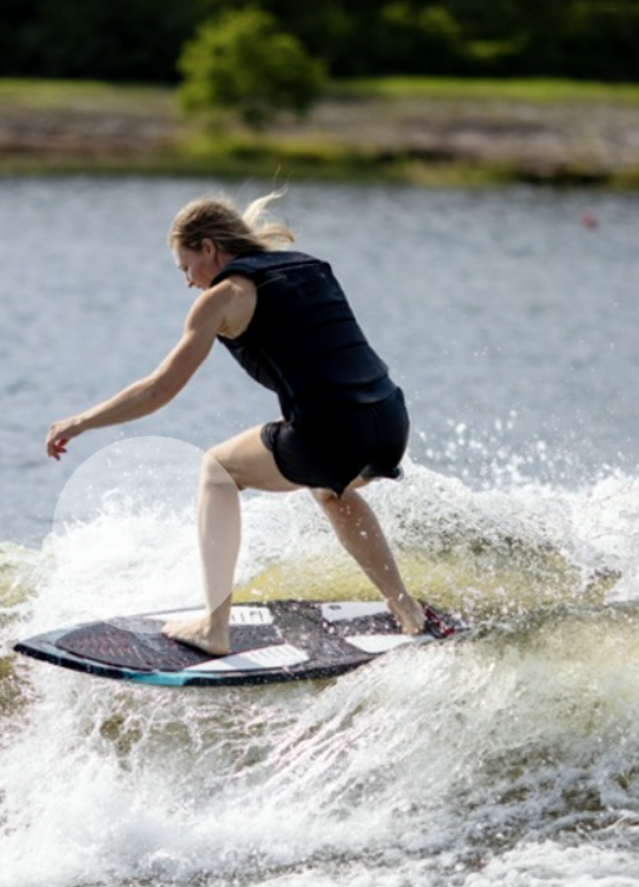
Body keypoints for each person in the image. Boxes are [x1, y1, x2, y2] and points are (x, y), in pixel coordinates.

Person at [44, 190, 429, 656]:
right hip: (389, 422)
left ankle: (214, 627)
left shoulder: (223, 297)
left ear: (209, 248)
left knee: (217, 471)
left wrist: (81, 421)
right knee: (331, 489)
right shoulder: (311, 266)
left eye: (186, 268)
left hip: (333, 433)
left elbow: (158, 390)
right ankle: (404, 607)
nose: (188, 283)